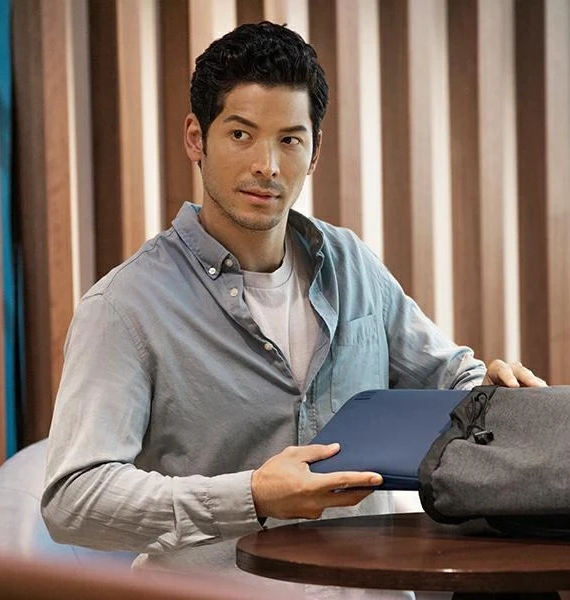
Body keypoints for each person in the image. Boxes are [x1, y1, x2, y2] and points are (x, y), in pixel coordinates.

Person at [42, 21, 546, 597]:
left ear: (314, 151)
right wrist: (251, 496)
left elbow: (450, 377)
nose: (268, 165)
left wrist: (490, 390)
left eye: (289, 139)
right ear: (195, 138)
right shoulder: (124, 306)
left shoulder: (352, 263)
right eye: (241, 134)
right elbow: (73, 500)